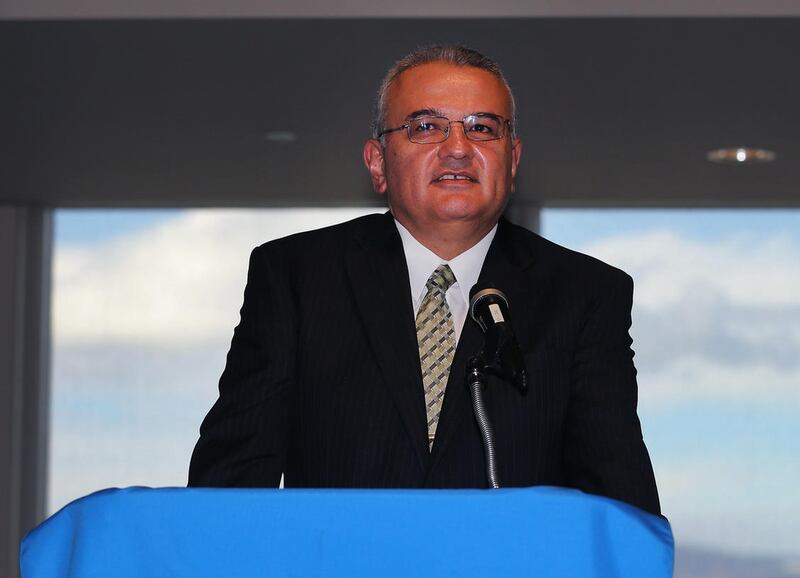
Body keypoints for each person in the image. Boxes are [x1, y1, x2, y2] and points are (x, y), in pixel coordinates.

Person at [188, 45, 661, 515]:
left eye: (482, 128)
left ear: (513, 160)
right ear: (378, 162)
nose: (458, 148)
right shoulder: (298, 277)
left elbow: (620, 508)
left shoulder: (585, 294)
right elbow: (229, 486)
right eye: (426, 127)